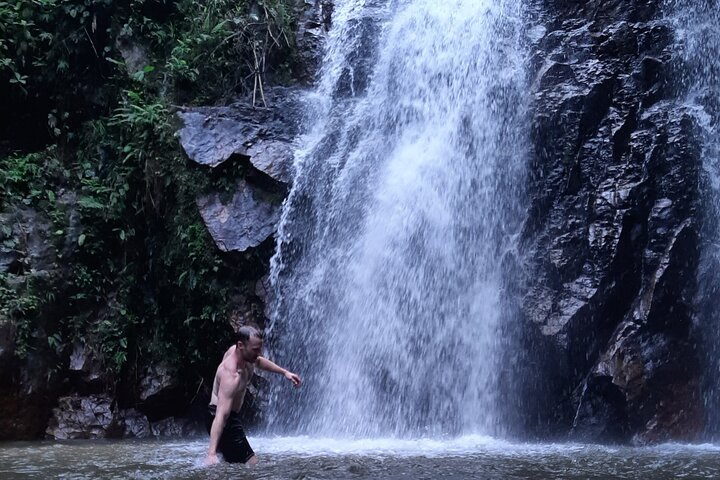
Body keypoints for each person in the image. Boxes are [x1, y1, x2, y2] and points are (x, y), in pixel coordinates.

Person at [204, 325, 301, 466]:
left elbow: (260, 361)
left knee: (231, 464)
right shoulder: (230, 374)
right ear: (240, 345)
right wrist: (211, 453)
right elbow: (221, 416)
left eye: (260, 348)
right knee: (252, 463)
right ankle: (211, 460)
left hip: (228, 417)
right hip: (223, 420)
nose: (259, 353)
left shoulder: (245, 355)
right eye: (255, 350)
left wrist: (284, 372)